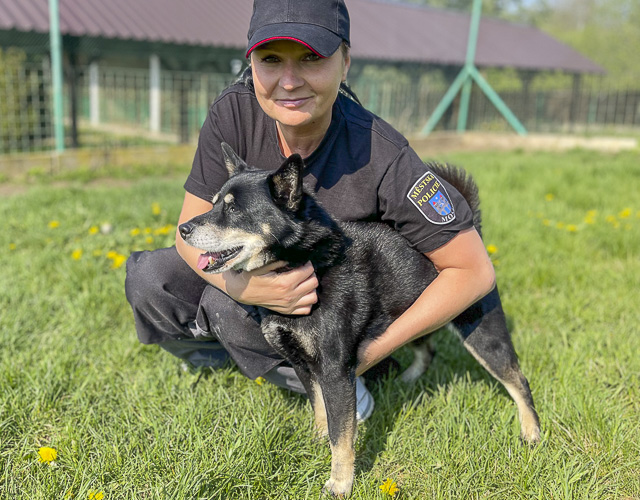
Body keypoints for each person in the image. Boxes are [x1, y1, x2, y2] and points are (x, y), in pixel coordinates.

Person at [125, 0, 496, 421]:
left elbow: (474, 272)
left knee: (225, 308)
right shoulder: (233, 113)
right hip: (260, 282)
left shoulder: (380, 152)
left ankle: (339, 381)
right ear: (251, 63)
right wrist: (244, 288)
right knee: (151, 281)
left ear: (345, 62)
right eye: (270, 59)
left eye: (311, 58)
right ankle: (230, 363)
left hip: (340, 319)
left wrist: (369, 351)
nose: (288, 81)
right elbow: (186, 231)